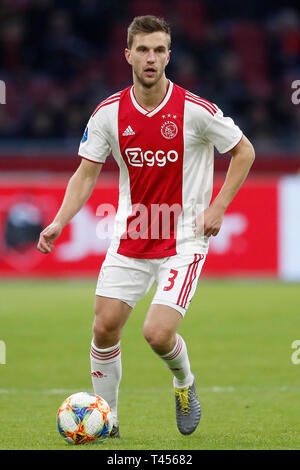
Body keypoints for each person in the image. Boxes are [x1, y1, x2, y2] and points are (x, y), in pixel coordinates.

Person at [37, 15, 255, 437]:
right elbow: (85, 174)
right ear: (128, 55)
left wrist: (219, 206)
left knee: (156, 334)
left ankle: (184, 383)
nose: (151, 58)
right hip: (131, 238)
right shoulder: (108, 114)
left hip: (184, 240)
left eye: (159, 50)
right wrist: (60, 220)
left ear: (169, 56)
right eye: (143, 49)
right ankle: (109, 421)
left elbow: (243, 151)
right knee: (103, 327)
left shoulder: (195, 111)